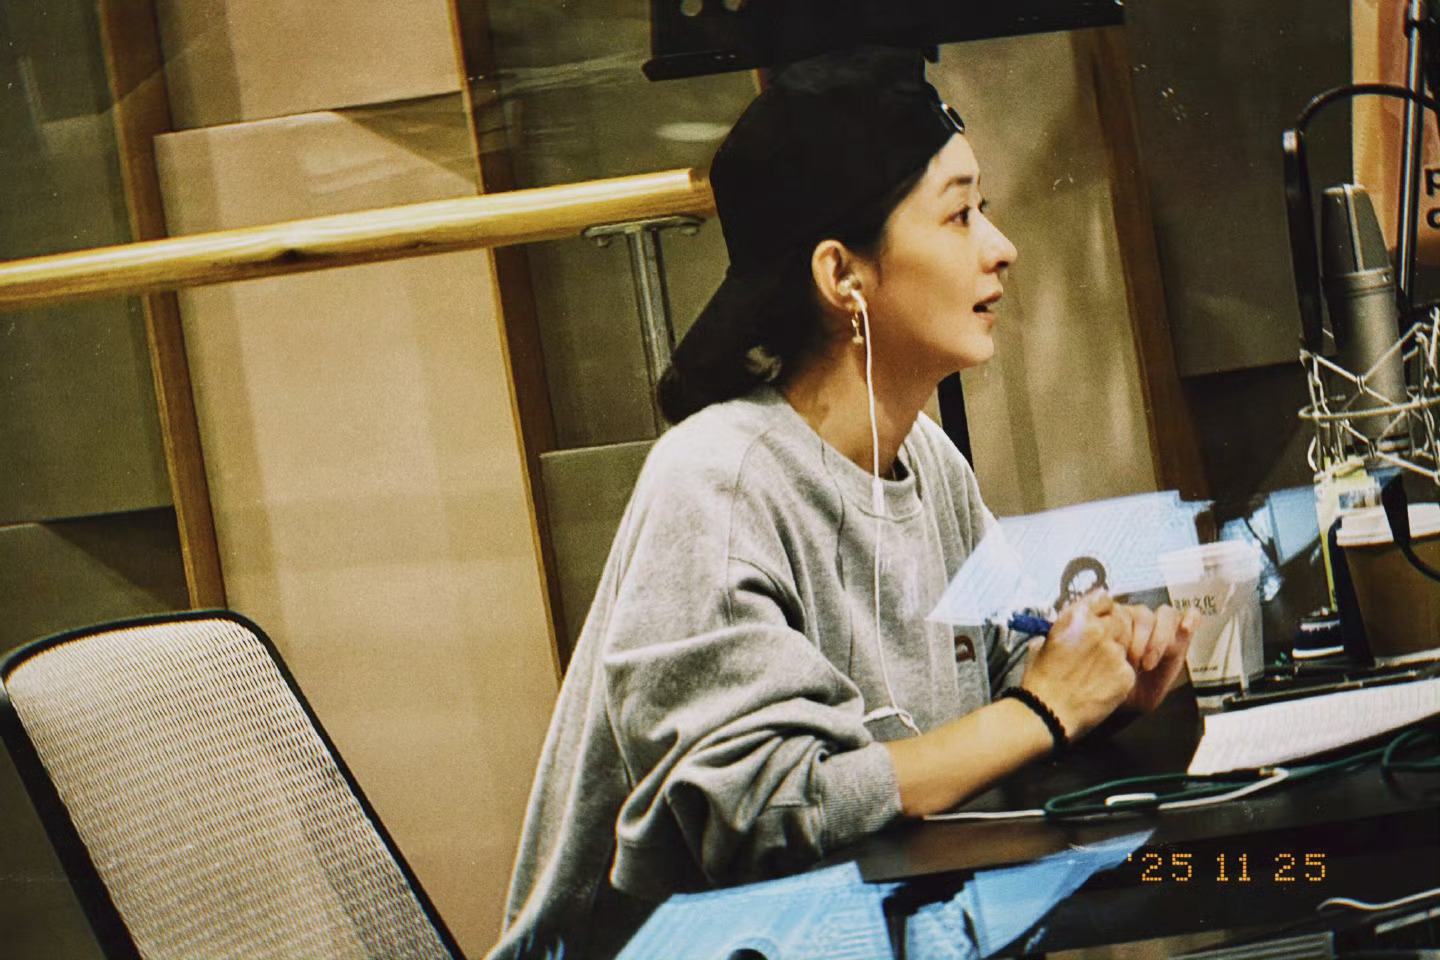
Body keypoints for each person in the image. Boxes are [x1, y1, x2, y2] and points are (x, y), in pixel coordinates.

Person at [487, 46, 1195, 960]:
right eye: (960, 215)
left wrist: (1103, 683)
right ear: (842, 276)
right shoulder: (717, 479)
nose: (1001, 247)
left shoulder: (928, 462)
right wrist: (1044, 711)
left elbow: (1009, 670)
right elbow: (764, 814)